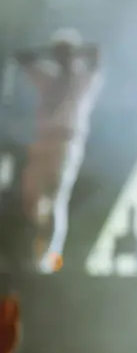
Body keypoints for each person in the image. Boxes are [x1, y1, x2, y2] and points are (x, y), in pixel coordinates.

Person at [6, 29, 102, 273]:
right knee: (33, 198)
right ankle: (33, 254)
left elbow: (96, 57)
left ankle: (48, 258)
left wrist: (73, 54)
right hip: (43, 141)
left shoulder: (82, 79)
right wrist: (50, 54)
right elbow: (23, 59)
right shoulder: (48, 77)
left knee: (55, 195)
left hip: (66, 142)